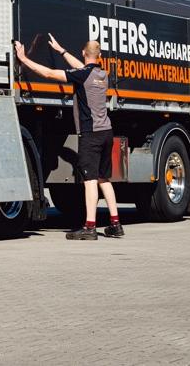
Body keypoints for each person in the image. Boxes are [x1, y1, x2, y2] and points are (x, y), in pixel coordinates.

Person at [14, 33, 124, 240]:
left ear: (84, 53)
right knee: (104, 178)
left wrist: (24, 59)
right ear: (98, 55)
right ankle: (116, 224)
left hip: (90, 134)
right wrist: (61, 51)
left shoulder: (82, 75)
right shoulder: (102, 75)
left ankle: (90, 227)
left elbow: (48, 74)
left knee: (90, 181)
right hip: (106, 132)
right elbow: (82, 68)